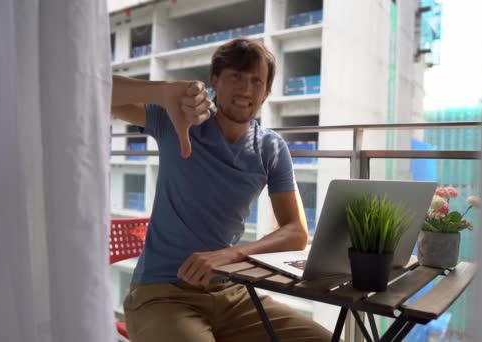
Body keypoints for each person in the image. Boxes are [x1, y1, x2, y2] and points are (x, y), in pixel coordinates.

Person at [112, 38, 332, 341]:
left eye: (256, 80)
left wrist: (231, 255)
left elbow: (296, 232)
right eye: (236, 76)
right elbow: (93, 90)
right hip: (162, 294)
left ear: (267, 92)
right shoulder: (179, 120)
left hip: (232, 291)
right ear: (214, 80)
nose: (245, 88)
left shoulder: (271, 148)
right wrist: (162, 91)